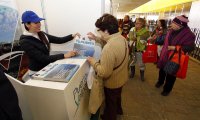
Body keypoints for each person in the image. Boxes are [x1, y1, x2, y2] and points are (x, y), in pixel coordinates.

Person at [87, 14, 129, 120]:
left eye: (99, 31)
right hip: (121, 77)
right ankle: (119, 110)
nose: (99, 33)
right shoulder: (121, 38)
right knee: (117, 97)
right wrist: (96, 38)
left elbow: (104, 72)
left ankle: (110, 116)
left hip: (112, 82)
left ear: (105, 31)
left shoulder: (108, 48)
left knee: (110, 104)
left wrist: (93, 62)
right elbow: (108, 41)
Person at [19, 11, 80, 76]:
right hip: (36, 72)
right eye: (36, 22)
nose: (39, 24)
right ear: (27, 24)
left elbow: (59, 40)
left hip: (46, 68)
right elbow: (43, 58)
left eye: (39, 22)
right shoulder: (25, 41)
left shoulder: (41, 34)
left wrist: (72, 36)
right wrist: (64, 55)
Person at [155, 15, 195, 96]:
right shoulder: (171, 31)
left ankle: (167, 89)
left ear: (179, 25)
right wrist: (156, 40)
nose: (171, 24)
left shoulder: (189, 35)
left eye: (173, 23)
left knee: (170, 74)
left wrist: (175, 48)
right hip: (165, 55)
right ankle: (160, 82)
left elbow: (190, 47)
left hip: (175, 57)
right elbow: (165, 40)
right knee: (162, 70)